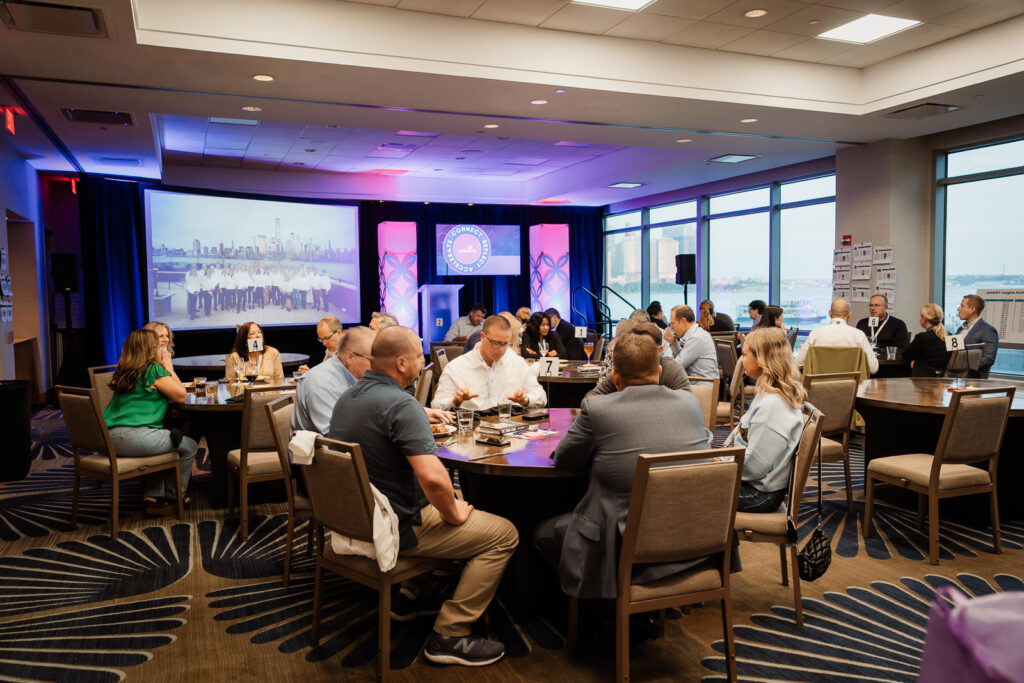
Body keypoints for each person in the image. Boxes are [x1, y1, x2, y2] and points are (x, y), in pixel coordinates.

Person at [328, 326, 518, 666]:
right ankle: (450, 634)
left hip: (356, 520)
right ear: (402, 363)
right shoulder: (401, 404)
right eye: (419, 357)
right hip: (396, 527)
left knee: (445, 498)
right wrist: (453, 513)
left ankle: (413, 594)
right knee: (504, 534)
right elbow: (432, 478)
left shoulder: (347, 398)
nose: (423, 363)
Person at [533, 332, 710, 599]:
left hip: (626, 542)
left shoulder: (598, 409)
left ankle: (593, 611)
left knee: (541, 533)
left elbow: (564, 459)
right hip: (692, 536)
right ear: (660, 371)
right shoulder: (690, 402)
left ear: (615, 378)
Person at [104, 329, 198, 516]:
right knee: (189, 446)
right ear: (149, 349)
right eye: (157, 344)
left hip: (109, 440)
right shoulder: (153, 370)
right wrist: (169, 367)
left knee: (166, 439)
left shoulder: (125, 371)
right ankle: (174, 499)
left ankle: (153, 495)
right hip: (137, 438)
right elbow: (181, 396)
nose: (161, 347)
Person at [727, 327, 805, 513]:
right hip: (756, 484)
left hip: (759, 493)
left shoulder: (772, 405)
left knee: (689, 485)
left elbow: (754, 466)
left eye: (744, 354)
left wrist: (722, 465)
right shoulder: (769, 395)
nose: (741, 360)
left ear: (762, 359)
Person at [432, 315, 546, 412]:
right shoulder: (456, 367)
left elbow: (541, 398)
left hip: (510, 425)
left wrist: (526, 400)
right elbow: (436, 405)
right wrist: (454, 401)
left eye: (506, 344)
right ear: (482, 337)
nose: (501, 349)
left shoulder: (516, 362)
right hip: (474, 427)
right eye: (496, 343)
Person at [293, 326, 375, 434]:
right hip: (323, 444)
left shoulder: (357, 376)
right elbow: (335, 435)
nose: (378, 366)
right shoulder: (320, 383)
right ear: (350, 357)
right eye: (372, 360)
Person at [586, 322, 691, 396]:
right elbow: (593, 396)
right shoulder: (626, 366)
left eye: (645, 346)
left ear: (659, 351)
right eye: (634, 344)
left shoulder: (672, 369)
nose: (636, 349)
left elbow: (687, 402)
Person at [794, 299, 879, 374]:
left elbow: (796, 364)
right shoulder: (859, 335)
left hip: (819, 385)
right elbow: (873, 368)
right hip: (851, 386)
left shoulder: (815, 334)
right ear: (849, 314)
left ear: (830, 313)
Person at [663, 304, 718, 378]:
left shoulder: (696, 337)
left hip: (701, 383)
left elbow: (677, 366)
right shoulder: (696, 334)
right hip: (696, 381)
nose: (671, 327)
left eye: (672, 323)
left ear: (683, 321)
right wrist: (674, 343)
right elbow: (682, 358)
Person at [903, 304, 952, 377]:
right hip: (946, 378)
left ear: (924, 318)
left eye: (920, 316)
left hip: (924, 379)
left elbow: (905, 356)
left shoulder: (921, 337)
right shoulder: (950, 336)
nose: (919, 319)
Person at [956, 294, 999, 378]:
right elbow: (955, 352)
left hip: (973, 380)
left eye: (962, 306)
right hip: (955, 378)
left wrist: (961, 365)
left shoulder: (988, 330)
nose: (958, 308)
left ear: (972, 309)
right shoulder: (960, 329)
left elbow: (988, 359)